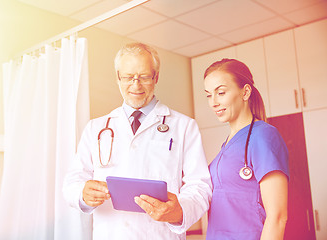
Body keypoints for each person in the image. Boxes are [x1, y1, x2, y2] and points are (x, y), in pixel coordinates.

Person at [63, 42, 212, 240]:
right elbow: (73, 181)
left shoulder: (184, 126)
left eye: (144, 77)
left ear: (156, 77)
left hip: (159, 234)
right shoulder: (95, 128)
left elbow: (200, 185)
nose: (135, 85)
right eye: (128, 77)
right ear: (118, 77)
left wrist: (179, 210)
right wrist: (82, 194)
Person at [203, 58, 289, 240]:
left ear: (245, 92)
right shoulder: (227, 144)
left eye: (221, 93)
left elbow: (278, 216)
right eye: (209, 95)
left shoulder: (263, 136)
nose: (213, 103)